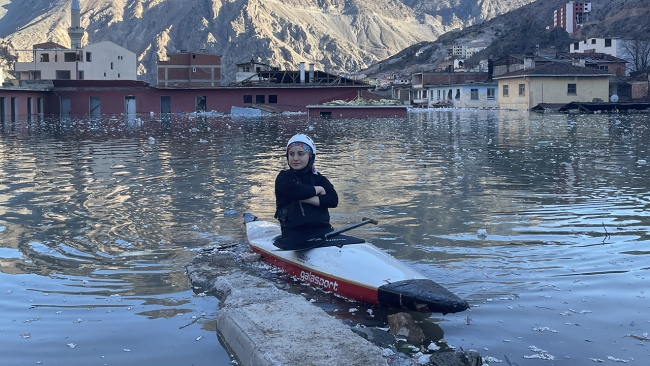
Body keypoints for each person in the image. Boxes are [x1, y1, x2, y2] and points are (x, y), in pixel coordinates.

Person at [273, 134, 338, 249]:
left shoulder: (319, 178)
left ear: (310, 156)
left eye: (301, 154)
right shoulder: (284, 178)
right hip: (294, 235)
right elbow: (297, 192)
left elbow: (333, 200)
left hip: (323, 231)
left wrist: (307, 199)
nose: (295, 158)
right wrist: (319, 190)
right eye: (291, 154)